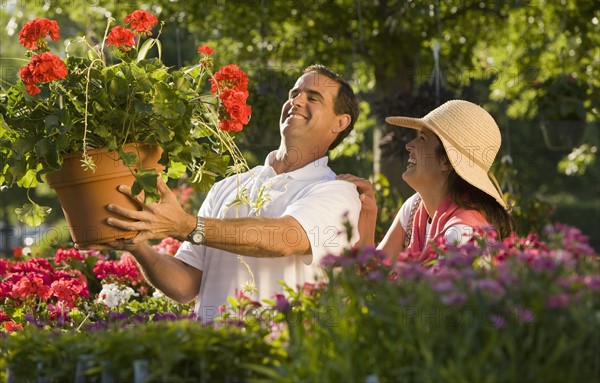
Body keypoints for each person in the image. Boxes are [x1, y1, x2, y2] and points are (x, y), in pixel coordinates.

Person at [104, 64, 361, 321]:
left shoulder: (338, 193)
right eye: (294, 93)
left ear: (340, 122)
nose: (296, 101)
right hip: (214, 351)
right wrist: (137, 245)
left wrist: (185, 226)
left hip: (279, 356)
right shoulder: (229, 186)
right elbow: (185, 286)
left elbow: (285, 239)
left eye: (313, 97)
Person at [338, 100, 514, 264]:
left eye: (422, 139)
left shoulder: (463, 237)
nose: (409, 145)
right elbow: (371, 277)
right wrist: (369, 214)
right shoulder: (415, 208)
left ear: (446, 161)